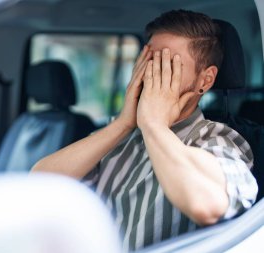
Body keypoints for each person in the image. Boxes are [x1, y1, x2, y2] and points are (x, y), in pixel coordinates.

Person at [32, 9, 258, 251]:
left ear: (205, 80)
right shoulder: (120, 135)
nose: (151, 74)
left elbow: (207, 204)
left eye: (167, 65)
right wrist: (123, 124)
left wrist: (154, 125)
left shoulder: (215, 138)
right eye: (148, 61)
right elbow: (40, 184)